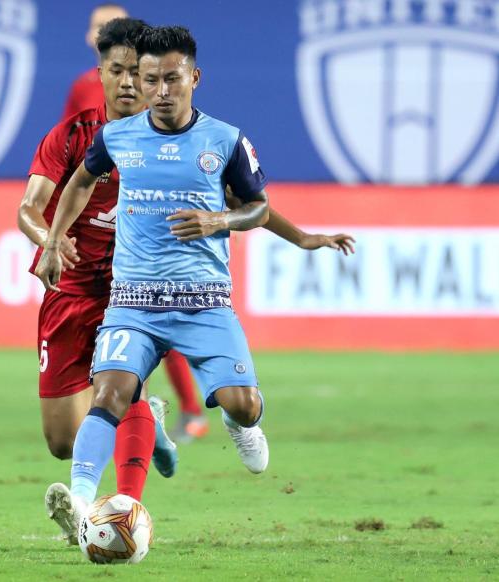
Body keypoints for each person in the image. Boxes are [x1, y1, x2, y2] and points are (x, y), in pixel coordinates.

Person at [35, 24, 353, 539]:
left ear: (194, 78)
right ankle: (80, 501)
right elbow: (79, 184)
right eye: (151, 79)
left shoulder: (224, 140)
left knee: (241, 403)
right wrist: (54, 239)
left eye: (173, 79)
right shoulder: (116, 137)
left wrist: (222, 222)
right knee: (108, 396)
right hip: (132, 303)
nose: (161, 91)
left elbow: (256, 207)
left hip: (203, 305)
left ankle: (238, 422)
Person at [17, 18, 180, 545]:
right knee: (62, 441)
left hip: (131, 291)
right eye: (118, 71)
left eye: (139, 72)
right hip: (70, 291)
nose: (129, 82)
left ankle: (117, 512)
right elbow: (28, 210)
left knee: (118, 389)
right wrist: (49, 239)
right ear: (101, 73)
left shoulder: (172, 142)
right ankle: (145, 420)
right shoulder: (71, 137)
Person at [62, 5, 210, 438]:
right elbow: (73, 149)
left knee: (161, 315)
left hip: (148, 213)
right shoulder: (82, 87)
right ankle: (133, 414)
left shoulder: (153, 83)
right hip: (101, 218)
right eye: (93, 26)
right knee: (121, 326)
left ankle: (188, 409)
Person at [60, 4, 127, 119]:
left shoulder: (150, 82)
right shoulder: (82, 85)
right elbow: (69, 135)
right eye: (101, 26)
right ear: (89, 36)